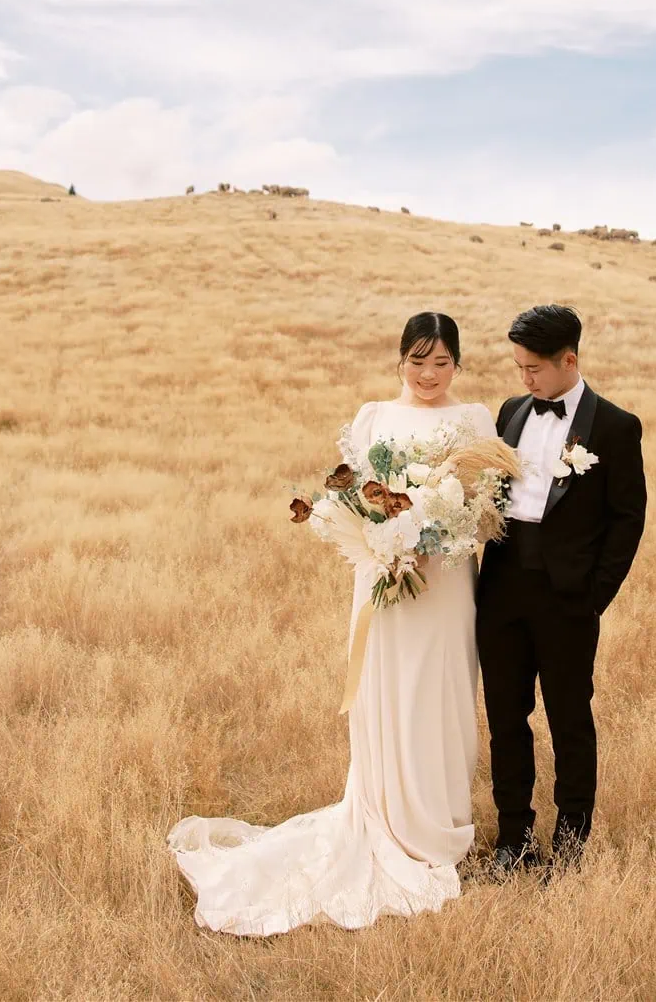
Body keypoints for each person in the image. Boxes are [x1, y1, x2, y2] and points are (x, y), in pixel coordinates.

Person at [167, 312, 493, 935]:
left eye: (442, 363)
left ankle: (438, 825)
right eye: (417, 361)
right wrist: (387, 536)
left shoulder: (476, 419)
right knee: (388, 691)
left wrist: (438, 527)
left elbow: (482, 511)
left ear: (458, 364)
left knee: (442, 693)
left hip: (446, 583)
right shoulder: (373, 416)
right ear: (399, 361)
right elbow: (356, 495)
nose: (429, 375)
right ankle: (385, 818)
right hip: (381, 580)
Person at [477, 303, 647, 875]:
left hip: (568, 598)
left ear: (568, 360)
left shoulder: (616, 427)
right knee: (506, 717)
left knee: (569, 720)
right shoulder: (509, 412)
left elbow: (628, 518)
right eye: (519, 367)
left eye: (534, 370)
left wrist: (592, 594)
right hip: (500, 591)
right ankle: (513, 841)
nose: (524, 380)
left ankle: (571, 849)